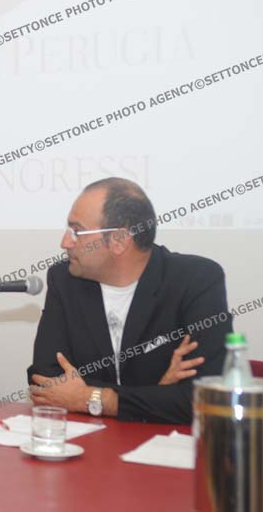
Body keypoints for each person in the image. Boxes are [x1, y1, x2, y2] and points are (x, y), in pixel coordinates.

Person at [28, 178, 232, 424]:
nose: (65, 242)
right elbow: (44, 382)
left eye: (77, 232)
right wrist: (158, 391)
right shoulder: (65, 279)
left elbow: (203, 399)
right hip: (88, 440)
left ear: (119, 240)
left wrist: (89, 398)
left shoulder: (196, 280)